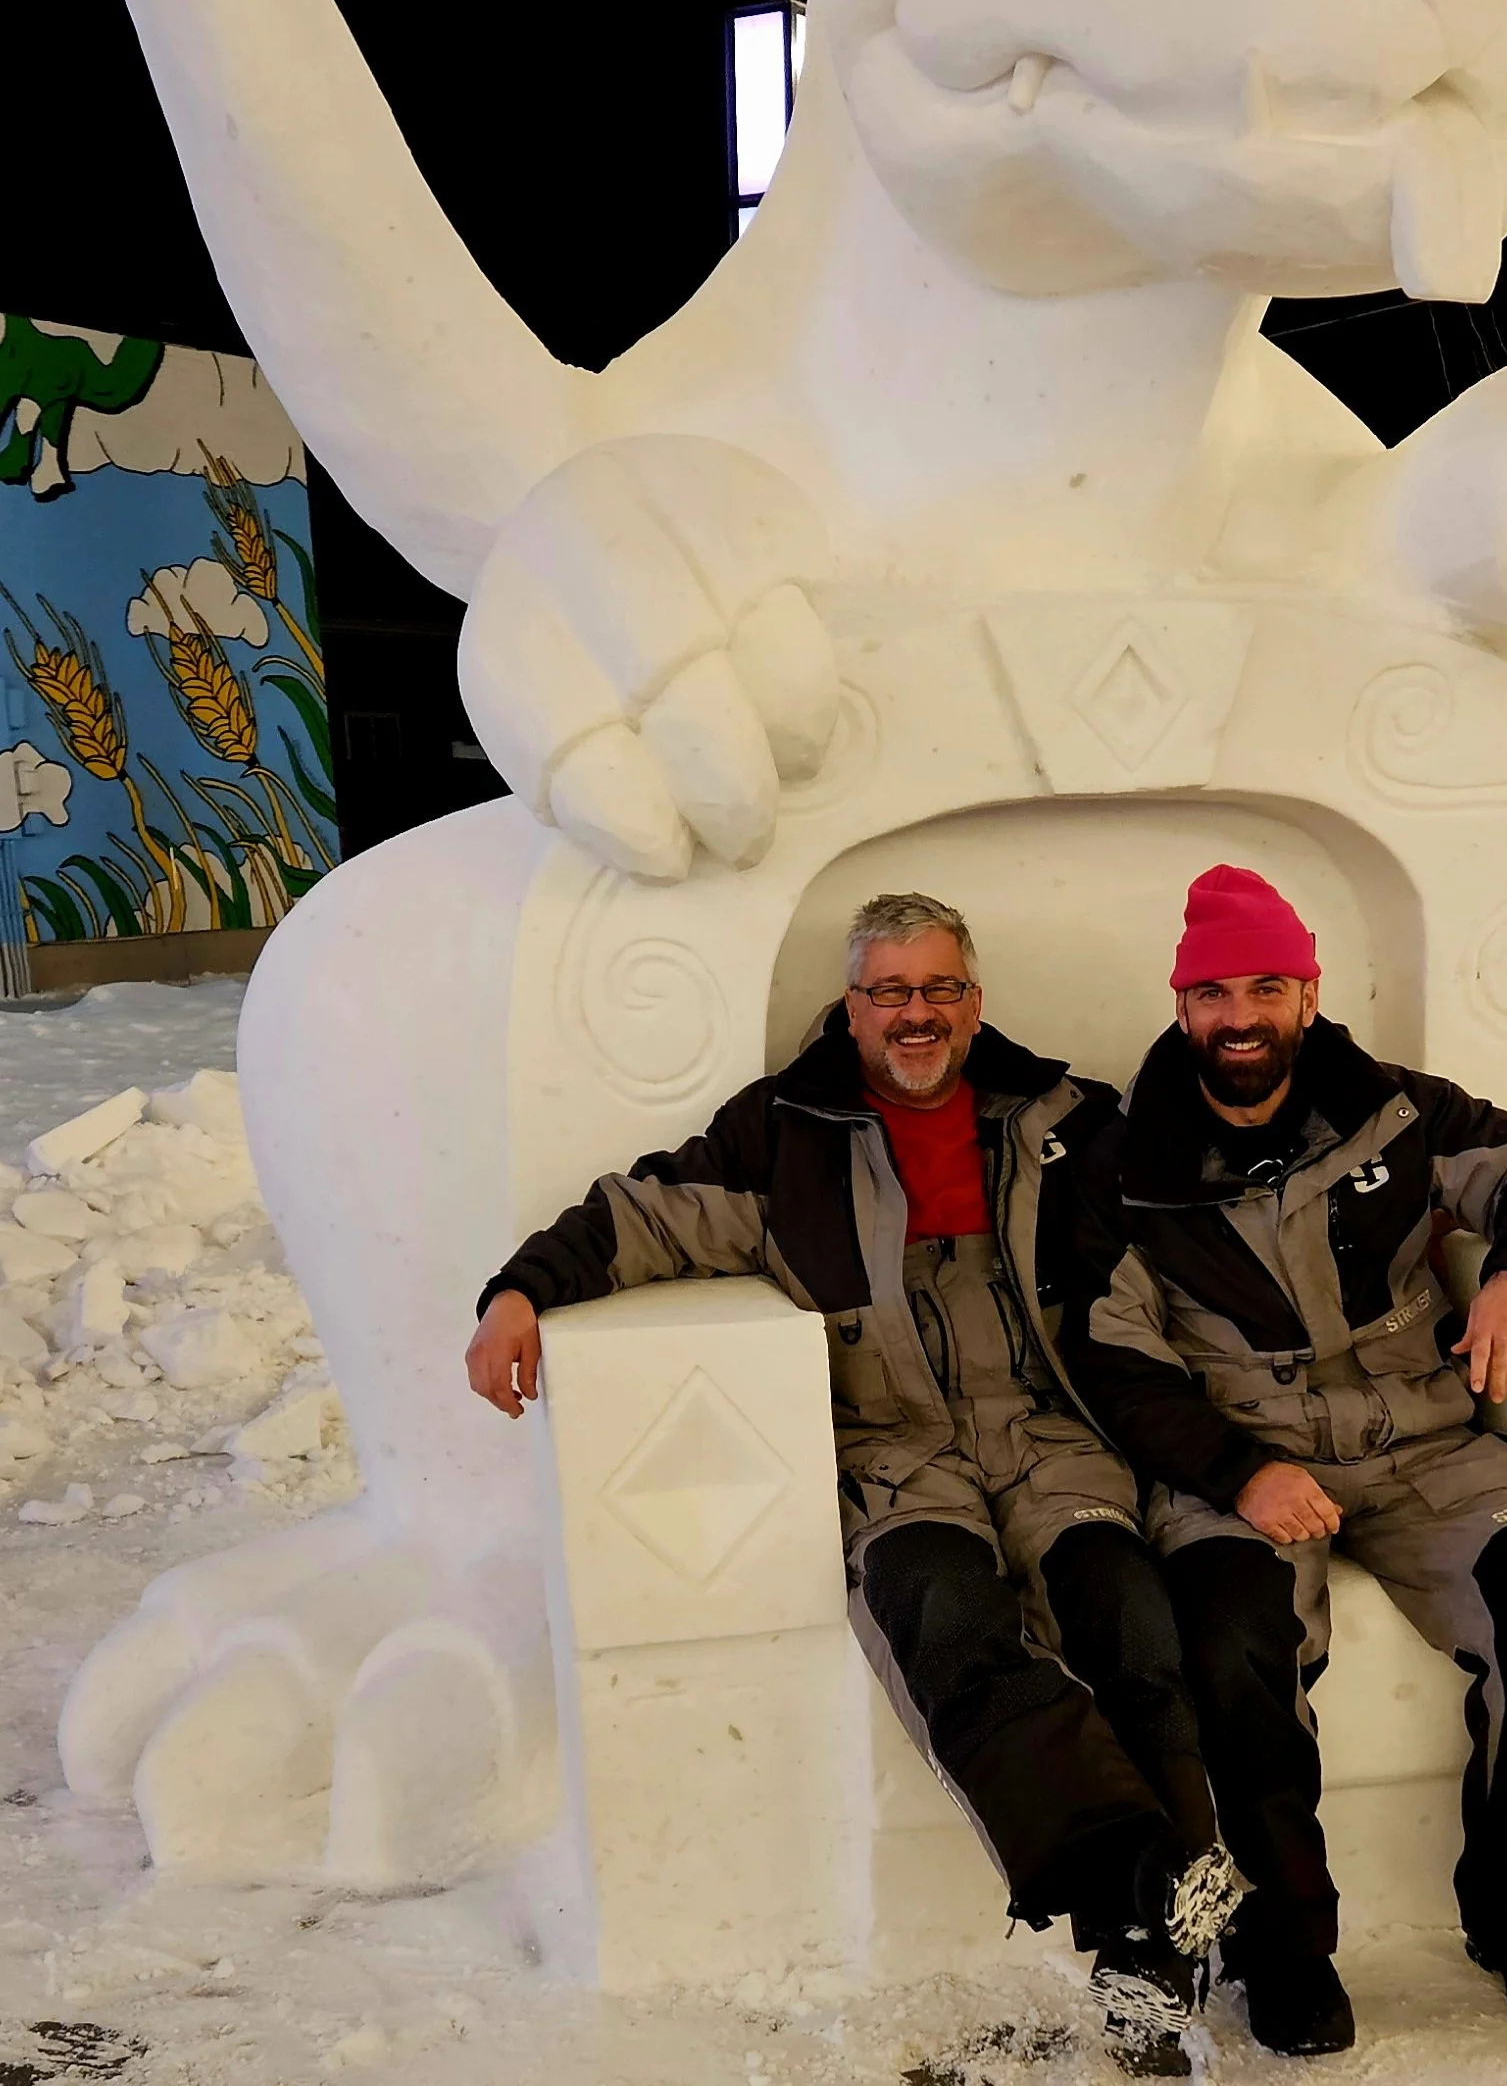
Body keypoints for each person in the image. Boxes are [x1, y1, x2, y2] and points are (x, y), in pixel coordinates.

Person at [466, 890, 1239, 2080]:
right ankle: (1153, 1873)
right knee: (947, 1619)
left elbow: (1206, 1204)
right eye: (890, 992)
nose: (914, 1014)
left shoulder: (1064, 1118)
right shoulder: (788, 1128)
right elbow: (644, 1216)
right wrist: (520, 1289)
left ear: (974, 1005)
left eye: (938, 989)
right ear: (853, 1006)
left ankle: (1148, 1965)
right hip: (892, 1447)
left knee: (1129, 1616)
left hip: (1051, 1433)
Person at [1068, 865, 1507, 2058]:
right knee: (1230, 1653)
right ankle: (1282, 1947)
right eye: (1212, 993)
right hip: (1244, 1463)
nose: (1241, 1016)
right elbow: (1110, 1357)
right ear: (1181, 1010)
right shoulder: (1124, 1163)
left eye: (1267, 986)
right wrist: (1233, 1471)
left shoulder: (1398, 1112)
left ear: (1309, 995)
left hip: (1425, 1444)